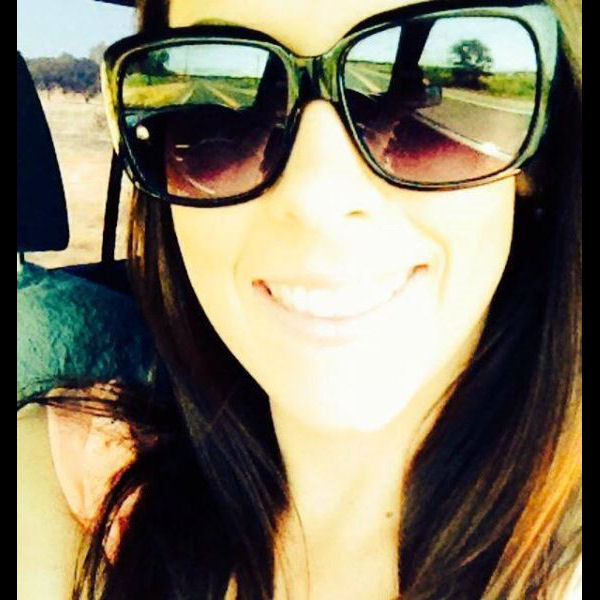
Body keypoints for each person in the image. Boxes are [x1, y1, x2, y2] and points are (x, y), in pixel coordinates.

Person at [17, 0, 581, 598]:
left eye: (411, 105)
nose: (317, 195)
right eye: (220, 125)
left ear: (538, 154)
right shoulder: (70, 481)